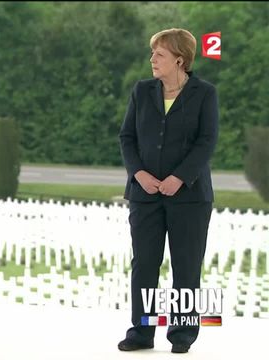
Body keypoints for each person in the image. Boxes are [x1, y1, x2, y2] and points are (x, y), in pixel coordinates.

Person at [117, 28, 219, 354]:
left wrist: (180, 177)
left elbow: (207, 141)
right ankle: (142, 332)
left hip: (189, 196)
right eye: (152, 54)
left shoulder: (205, 93)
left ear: (179, 59)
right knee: (145, 264)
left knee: (186, 266)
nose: (152, 60)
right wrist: (140, 173)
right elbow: (127, 138)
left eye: (158, 54)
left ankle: (182, 335)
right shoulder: (141, 91)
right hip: (145, 195)